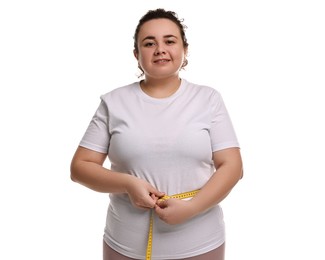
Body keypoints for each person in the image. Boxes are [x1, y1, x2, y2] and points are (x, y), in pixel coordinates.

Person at [70, 8, 243, 260]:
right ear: (136, 54)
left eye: (169, 41)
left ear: (184, 49)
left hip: (201, 244)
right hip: (125, 246)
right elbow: (80, 167)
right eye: (149, 43)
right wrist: (128, 184)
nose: (160, 49)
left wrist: (191, 207)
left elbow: (232, 165)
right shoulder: (113, 102)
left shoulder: (208, 99)